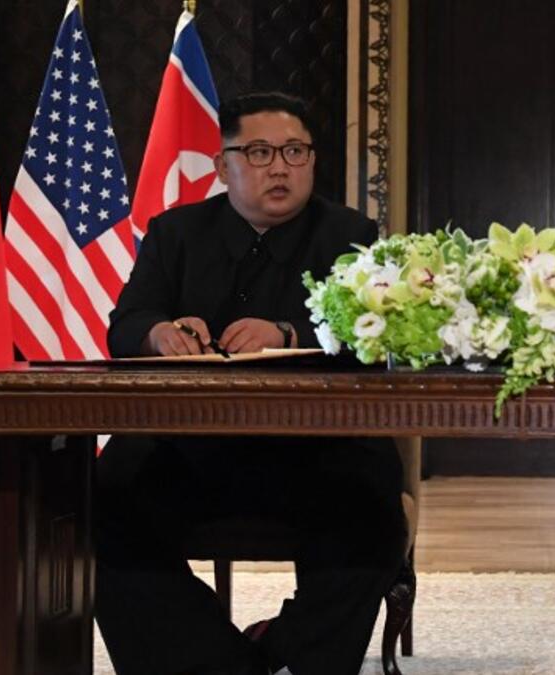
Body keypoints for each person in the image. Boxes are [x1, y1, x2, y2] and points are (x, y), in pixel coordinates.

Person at [95, 92, 406, 675]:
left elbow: (378, 339)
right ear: (223, 166)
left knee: (374, 512)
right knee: (106, 499)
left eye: (295, 151)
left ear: (313, 160)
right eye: (259, 152)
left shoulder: (351, 235)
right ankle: (217, 663)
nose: (280, 167)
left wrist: (289, 331)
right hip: (192, 450)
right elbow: (126, 324)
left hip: (319, 451)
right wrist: (160, 333)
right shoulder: (176, 232)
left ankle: (290, 652)